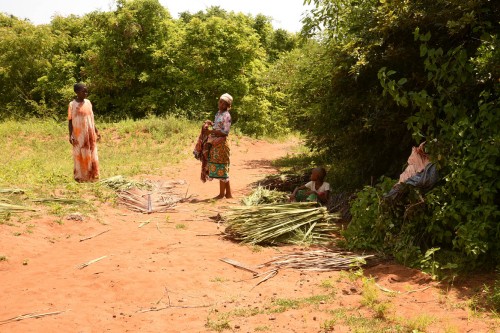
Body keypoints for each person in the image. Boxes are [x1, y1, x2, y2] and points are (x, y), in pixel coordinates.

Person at [68, 83, 100, 182]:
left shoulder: (88, 102)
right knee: (80, 154)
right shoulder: (72, 104)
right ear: (77, 92)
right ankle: (81, 177)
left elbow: (91, 118)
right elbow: (70, 121)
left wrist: (96, 131)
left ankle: (92, 175)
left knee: (91, 152)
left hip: (89, 133)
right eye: (83, 91)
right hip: (79, 134)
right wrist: (70, 135)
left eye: (86, 91)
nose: (86, 93)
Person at [206, 93, 233, 199]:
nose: (220, 104)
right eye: (220, 101)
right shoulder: (218, 113)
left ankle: (225, 194)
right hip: (215, 144)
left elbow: (225, 132)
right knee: (220, 169)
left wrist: (211, 132)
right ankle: (226, 194)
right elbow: (218, 126)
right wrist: (211, 123)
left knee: (223, 168)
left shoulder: (227, 115)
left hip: (222, 144)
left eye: (223, 103)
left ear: (227, 105)